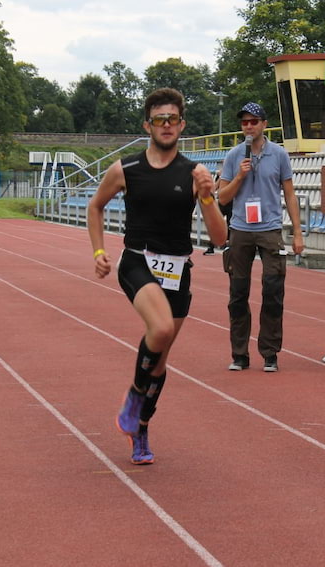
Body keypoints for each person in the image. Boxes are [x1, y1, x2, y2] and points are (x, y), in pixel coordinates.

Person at [87, 87, 227, 465]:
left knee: (161, 362)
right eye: (159, 119)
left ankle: (142, 427)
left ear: (182, 125)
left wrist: (209, 197)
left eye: (173, 120)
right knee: (161, 329)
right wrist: (100, 251)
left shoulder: (195, 172)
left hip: (178, 270)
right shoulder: (126, 169)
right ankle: (134, 396)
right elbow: (95, 207)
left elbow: (219, 238)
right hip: (137, 262)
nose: (166, 126)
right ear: (147, 124)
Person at [217, 102, 305, 373]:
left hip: (269, 230)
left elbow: (289, 194)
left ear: (264, 124)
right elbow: (222, 197)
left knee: (273, 291)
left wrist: (297, 232)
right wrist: (240, 176)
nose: (249, 126)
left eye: (254, 122)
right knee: (238, 294)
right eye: (244, 122)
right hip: (241, 230)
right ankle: (239, 354)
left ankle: (270, 353)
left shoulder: (279, 155)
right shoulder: (233, 156)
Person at [203, 170, 232, 255]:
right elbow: (214, 187)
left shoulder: (234, 174)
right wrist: (221, 178)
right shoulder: (221, 176)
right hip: (222, 203)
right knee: (215, 223)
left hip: (232, 202)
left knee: (230, 225)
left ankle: (229, 246)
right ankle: (211, 247)